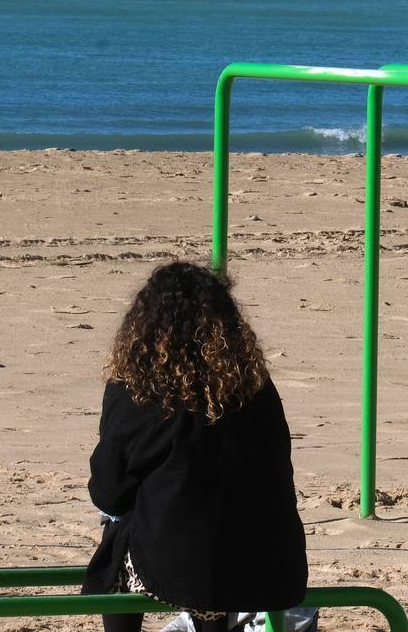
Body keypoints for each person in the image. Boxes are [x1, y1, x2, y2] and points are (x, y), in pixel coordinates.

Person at [83, 261, 308, 631]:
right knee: (211, 518)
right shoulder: (254, 385)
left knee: (121, 530)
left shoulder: (137, 388)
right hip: (270, 560)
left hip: (194, 563)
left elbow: (109, 489)